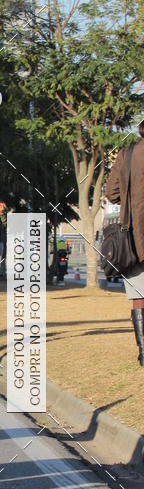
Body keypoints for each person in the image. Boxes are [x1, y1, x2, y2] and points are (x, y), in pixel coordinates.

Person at [105, 123, 144, 366]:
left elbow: (111, 193)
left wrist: (131, 196)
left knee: (139, 296)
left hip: (133, 237)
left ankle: (143, 352)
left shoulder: (126, 154)